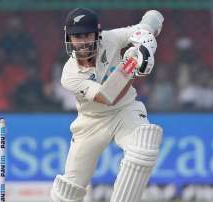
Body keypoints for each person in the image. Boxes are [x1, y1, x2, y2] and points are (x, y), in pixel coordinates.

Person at [50, 8, 164, 202]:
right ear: (69, 38)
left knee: (144, 147)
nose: (82, 41)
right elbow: (107, 96)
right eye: (76, 36)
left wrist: (148, 38)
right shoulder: (69, 75)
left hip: (125, 111)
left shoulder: (110, 38)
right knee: (68, 190)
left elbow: (145, 26)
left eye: (86, 35)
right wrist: (132, 64)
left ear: (98, 33)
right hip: (91, 123)